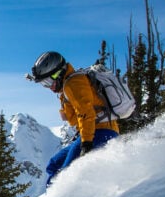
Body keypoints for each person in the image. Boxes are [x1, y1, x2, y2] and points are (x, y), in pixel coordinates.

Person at [26, 51, 119, 185]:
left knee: (65, 174)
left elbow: (85, 112)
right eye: (44, 84)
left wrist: (86, 143)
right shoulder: (68, 84)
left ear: (57, 73)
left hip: (100, 133)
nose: (48, 87)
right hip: (93, 132)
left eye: (48, 82)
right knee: (53, 165)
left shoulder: (73, 83)